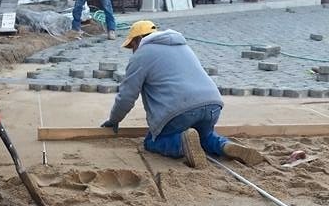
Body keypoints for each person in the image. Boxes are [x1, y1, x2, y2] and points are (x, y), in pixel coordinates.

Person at [101, 20, 266, 169]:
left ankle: (181, 143)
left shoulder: (141, 55)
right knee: (205, 136)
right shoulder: (182, 46)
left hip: (180, 111)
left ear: (138, 40)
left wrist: (113, 120)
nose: (133, 51)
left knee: (153, 141)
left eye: (132, 46)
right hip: (212, 106)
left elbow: (127, 96)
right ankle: (224, 146)